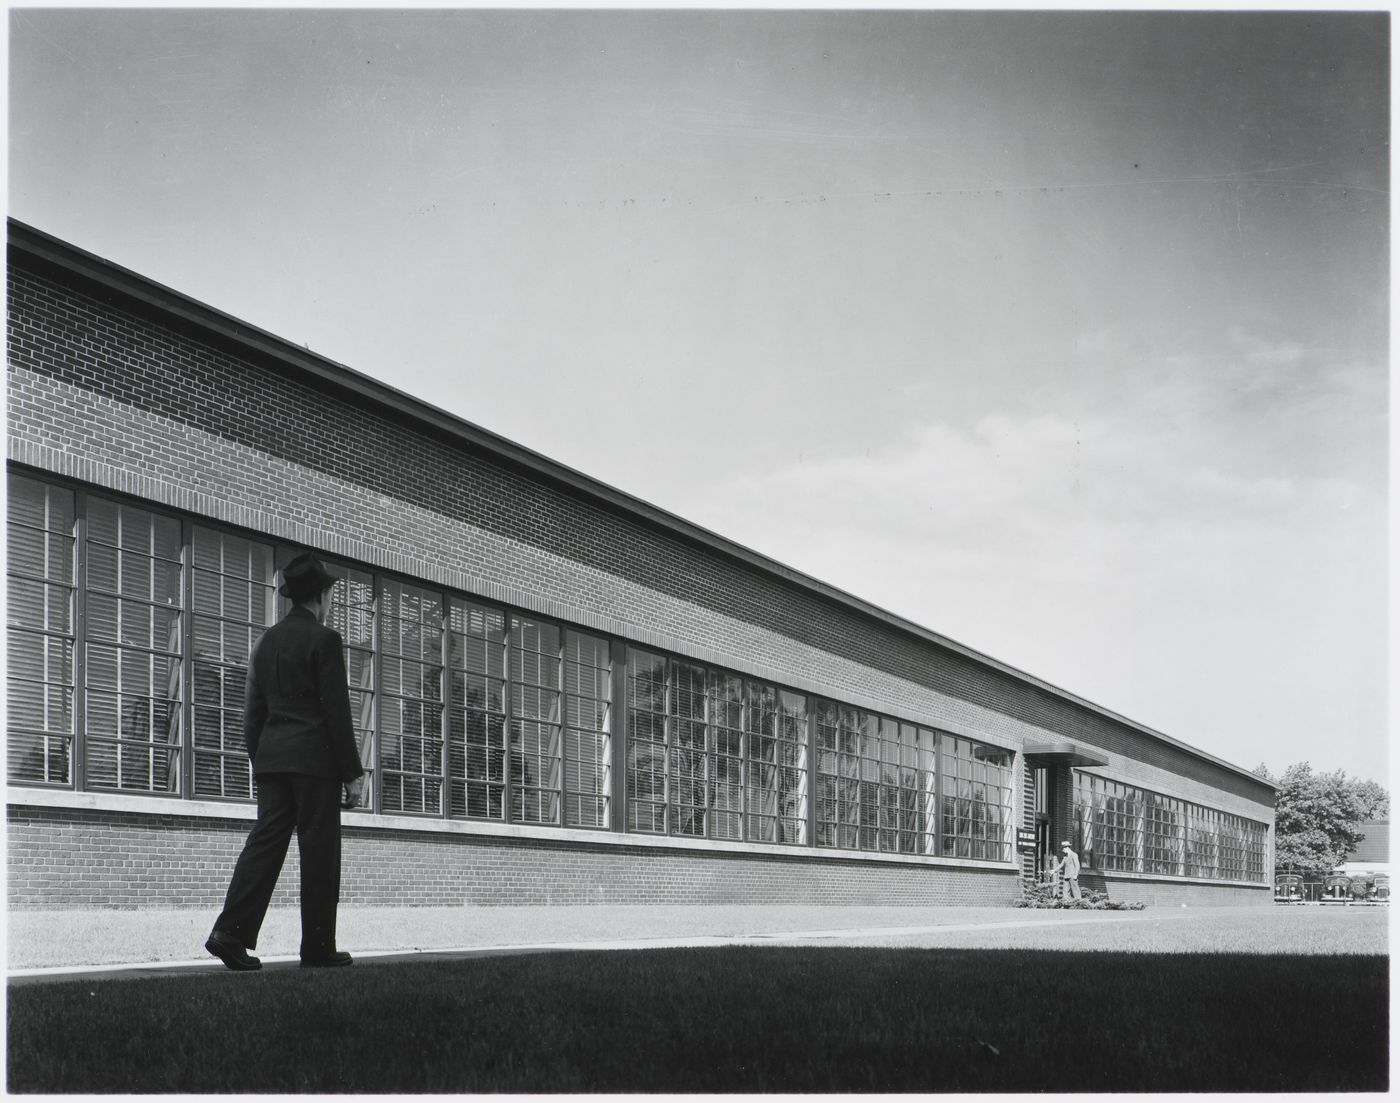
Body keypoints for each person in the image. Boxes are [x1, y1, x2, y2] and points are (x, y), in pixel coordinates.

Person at [205, 552, 365, 970]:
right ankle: (317, 947)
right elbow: (337, 711)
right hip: (316, 763)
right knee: (319, 851)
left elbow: (252, 713)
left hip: (273, 760)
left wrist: (263, 758)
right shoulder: (325, 641)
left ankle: (229, 932)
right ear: (322, 596)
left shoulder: (265, 642)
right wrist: (353, 774)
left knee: (265, 843)